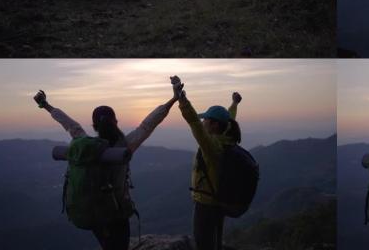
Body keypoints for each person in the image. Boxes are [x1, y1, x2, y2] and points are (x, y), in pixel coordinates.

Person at [32, 85, 179, 250]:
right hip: (116, 213)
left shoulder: (84, 147)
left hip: (91, 212)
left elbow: (70, 125)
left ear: (94, 126)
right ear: (115, 122)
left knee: (106, 245)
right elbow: (147, 125)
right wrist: (173, 99)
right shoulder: (125, 146)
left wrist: (45, 105)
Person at [171, 75, 242, 250]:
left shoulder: (212, 146)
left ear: (214, 125)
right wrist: (234, 103)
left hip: (206, 203)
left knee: (203, 243)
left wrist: (181, 97)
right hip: (219, 201)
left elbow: (193, 121)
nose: (203, 122)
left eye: (206, 120)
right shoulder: (226, 138)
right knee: (215, 239)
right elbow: (229, 118)